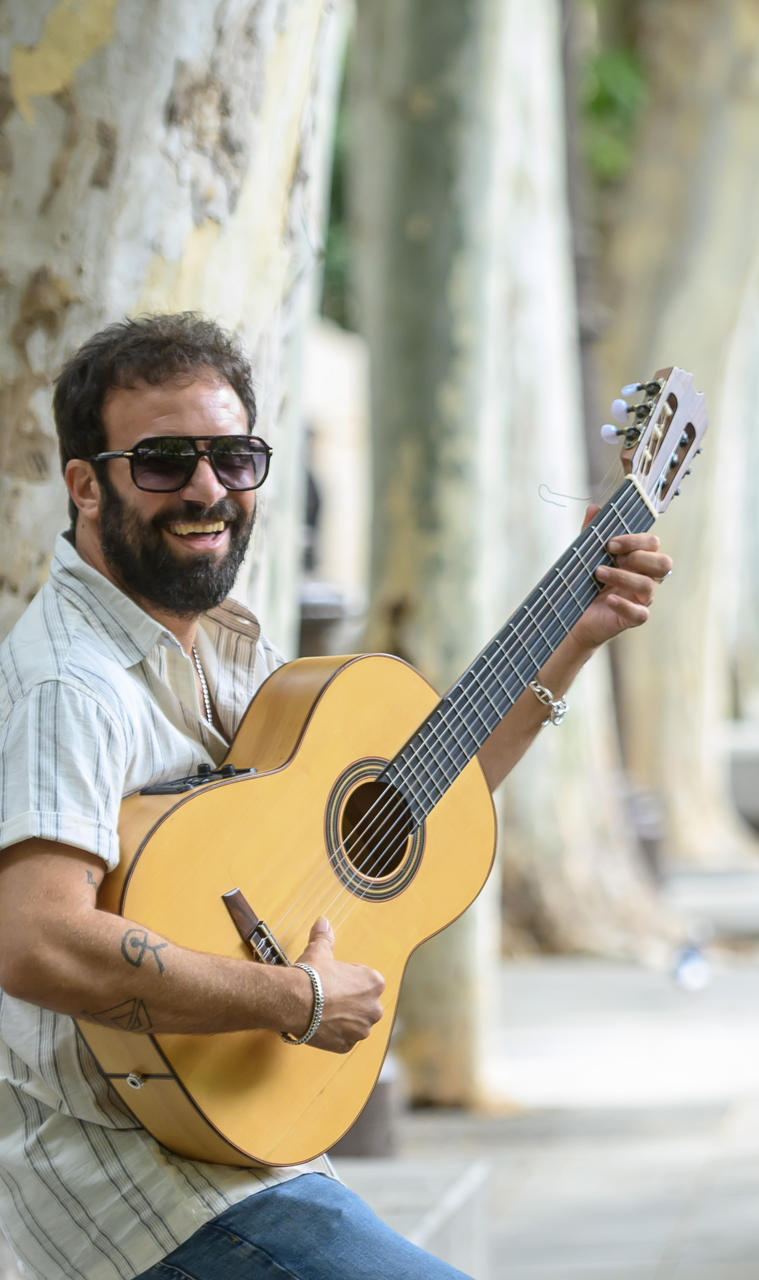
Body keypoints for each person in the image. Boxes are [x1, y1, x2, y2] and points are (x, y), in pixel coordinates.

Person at [0, 313, 672, 1280]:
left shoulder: (220, 644)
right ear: (85, 484)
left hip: (242, 1152)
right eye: (162, 462)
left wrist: (575, 635)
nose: (206, 489)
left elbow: (405, 811)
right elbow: (36, 940)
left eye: (234, 458)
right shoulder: (74, 684)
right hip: (141, 1190)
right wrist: (294, 998)